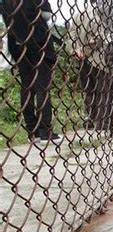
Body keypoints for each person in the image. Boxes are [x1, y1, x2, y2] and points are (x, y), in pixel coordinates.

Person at [1, 0, 61, 144]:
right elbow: (47, 15)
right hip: (39, 44)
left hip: (18, 45)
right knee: (42, 86)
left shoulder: (5, 3)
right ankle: (45, 131)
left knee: (27, 87)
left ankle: (32, 131)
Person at [67, 0, 107, 131]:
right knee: (100, 89)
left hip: (81, 59)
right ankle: (100, 121)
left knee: (88, 90)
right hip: (95, 58)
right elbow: (99, 38)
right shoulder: (98, 14)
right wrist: (86, 51)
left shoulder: (77, 15)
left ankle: (89, 118)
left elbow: (71, 36)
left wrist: (76, 50)